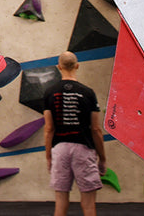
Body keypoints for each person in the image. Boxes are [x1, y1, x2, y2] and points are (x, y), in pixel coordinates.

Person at [43, 51, 107, 216]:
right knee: (88, 204)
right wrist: (103, 158)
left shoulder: (49, 93)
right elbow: (96, 129)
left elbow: (49, 129)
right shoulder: (88, 93)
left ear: (59, 67)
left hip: (60, 149)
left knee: (61, 201)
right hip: (83, 149)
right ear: (77, 66)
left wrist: (49, 156)